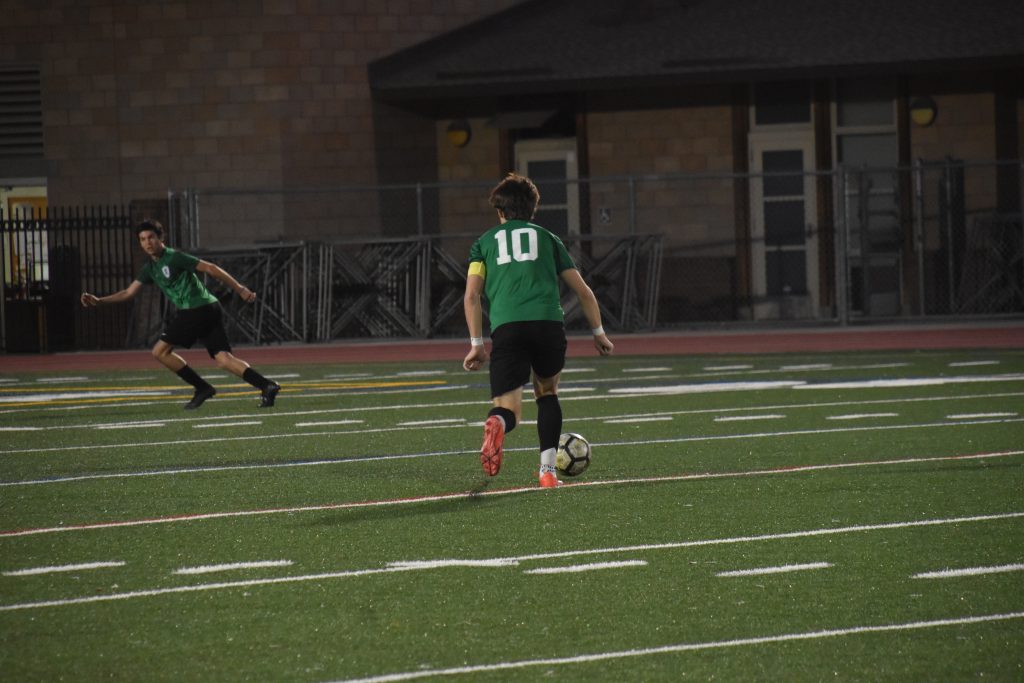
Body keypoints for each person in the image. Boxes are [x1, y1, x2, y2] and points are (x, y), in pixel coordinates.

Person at [463, 172, 614, 488]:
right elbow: (584, 291)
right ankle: (547, 472)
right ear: (533, 209)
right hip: (548, 325)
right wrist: (599, 332)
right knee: (547, 393)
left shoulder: (484, 243)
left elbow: (472, 296)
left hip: (507, 327)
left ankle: (497, 422)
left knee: (509, 409)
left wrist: (476, 344)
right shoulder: (549, 239)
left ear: (500, 211)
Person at [81, 219, 281, 410]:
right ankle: (266, 385)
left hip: (197, 309)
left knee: (160, 352)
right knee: (223, 359)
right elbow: (128, 293)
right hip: (209, 308)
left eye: (151, 237)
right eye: (142, 239)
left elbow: (210, 268)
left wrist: (240, 289)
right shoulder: (149, 268)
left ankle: (202, 388)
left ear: (161, 238)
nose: (147, 243)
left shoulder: (173, 257)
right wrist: (99, 300)